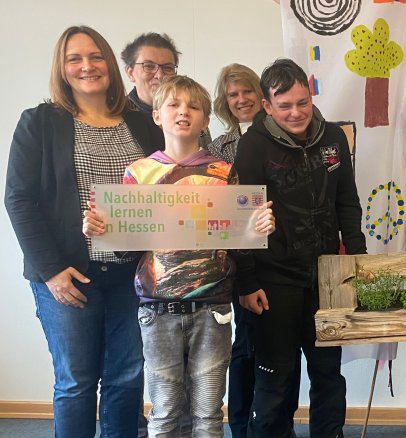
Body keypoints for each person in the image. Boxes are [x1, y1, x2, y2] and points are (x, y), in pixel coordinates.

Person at [81, 75, 275, 437]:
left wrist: (257, 226)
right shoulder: (138, 173)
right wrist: (102, 230)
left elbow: (238, 240)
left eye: (194, 107)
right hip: (157, 309)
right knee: (165, 410)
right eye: (173, 105)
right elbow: (127, 247)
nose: (183, 112)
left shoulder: (223, 172)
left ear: (205, 121)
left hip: (212, 308)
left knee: (208, 412)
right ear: (157, 115)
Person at [4, 25, 160, 437]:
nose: (87, 66)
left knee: (127, 378)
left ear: (110, 62)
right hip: (68, 275)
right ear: (62, 68)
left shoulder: (141, 123)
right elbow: (18, 199)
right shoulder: (40, 122)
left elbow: (162, 192)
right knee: (75, 383)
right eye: (75, 58)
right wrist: (52, 271)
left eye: (95, 56)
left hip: (131, 274)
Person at [232, 58, 366, 438]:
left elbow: (347, 202)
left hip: (327, 279)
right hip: (274, 282)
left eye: (302, 102)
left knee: (327, 373)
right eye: (285, 105)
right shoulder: (252, 146)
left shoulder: (334, 139)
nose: (296, 113)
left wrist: (356, 260)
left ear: (311, 96)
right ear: (267, 106)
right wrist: (246, 283)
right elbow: (241, 222)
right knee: (276, 378)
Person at [206, 63, 301, 438]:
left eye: (246, 91)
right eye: (233, 95)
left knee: (282, 350)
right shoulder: (216, 149)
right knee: (244, 347)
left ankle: (280, 424)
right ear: (225, 102)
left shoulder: (284, 137)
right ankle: (242, 424)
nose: (241, 99)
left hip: (276, 259)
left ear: (261, 98)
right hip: (234, 262)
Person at [121, 32, 210, 148]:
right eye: (148, 66)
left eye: (167, 68)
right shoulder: (118, 118)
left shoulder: (191, 114)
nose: (159, 75)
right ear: (130, 73)